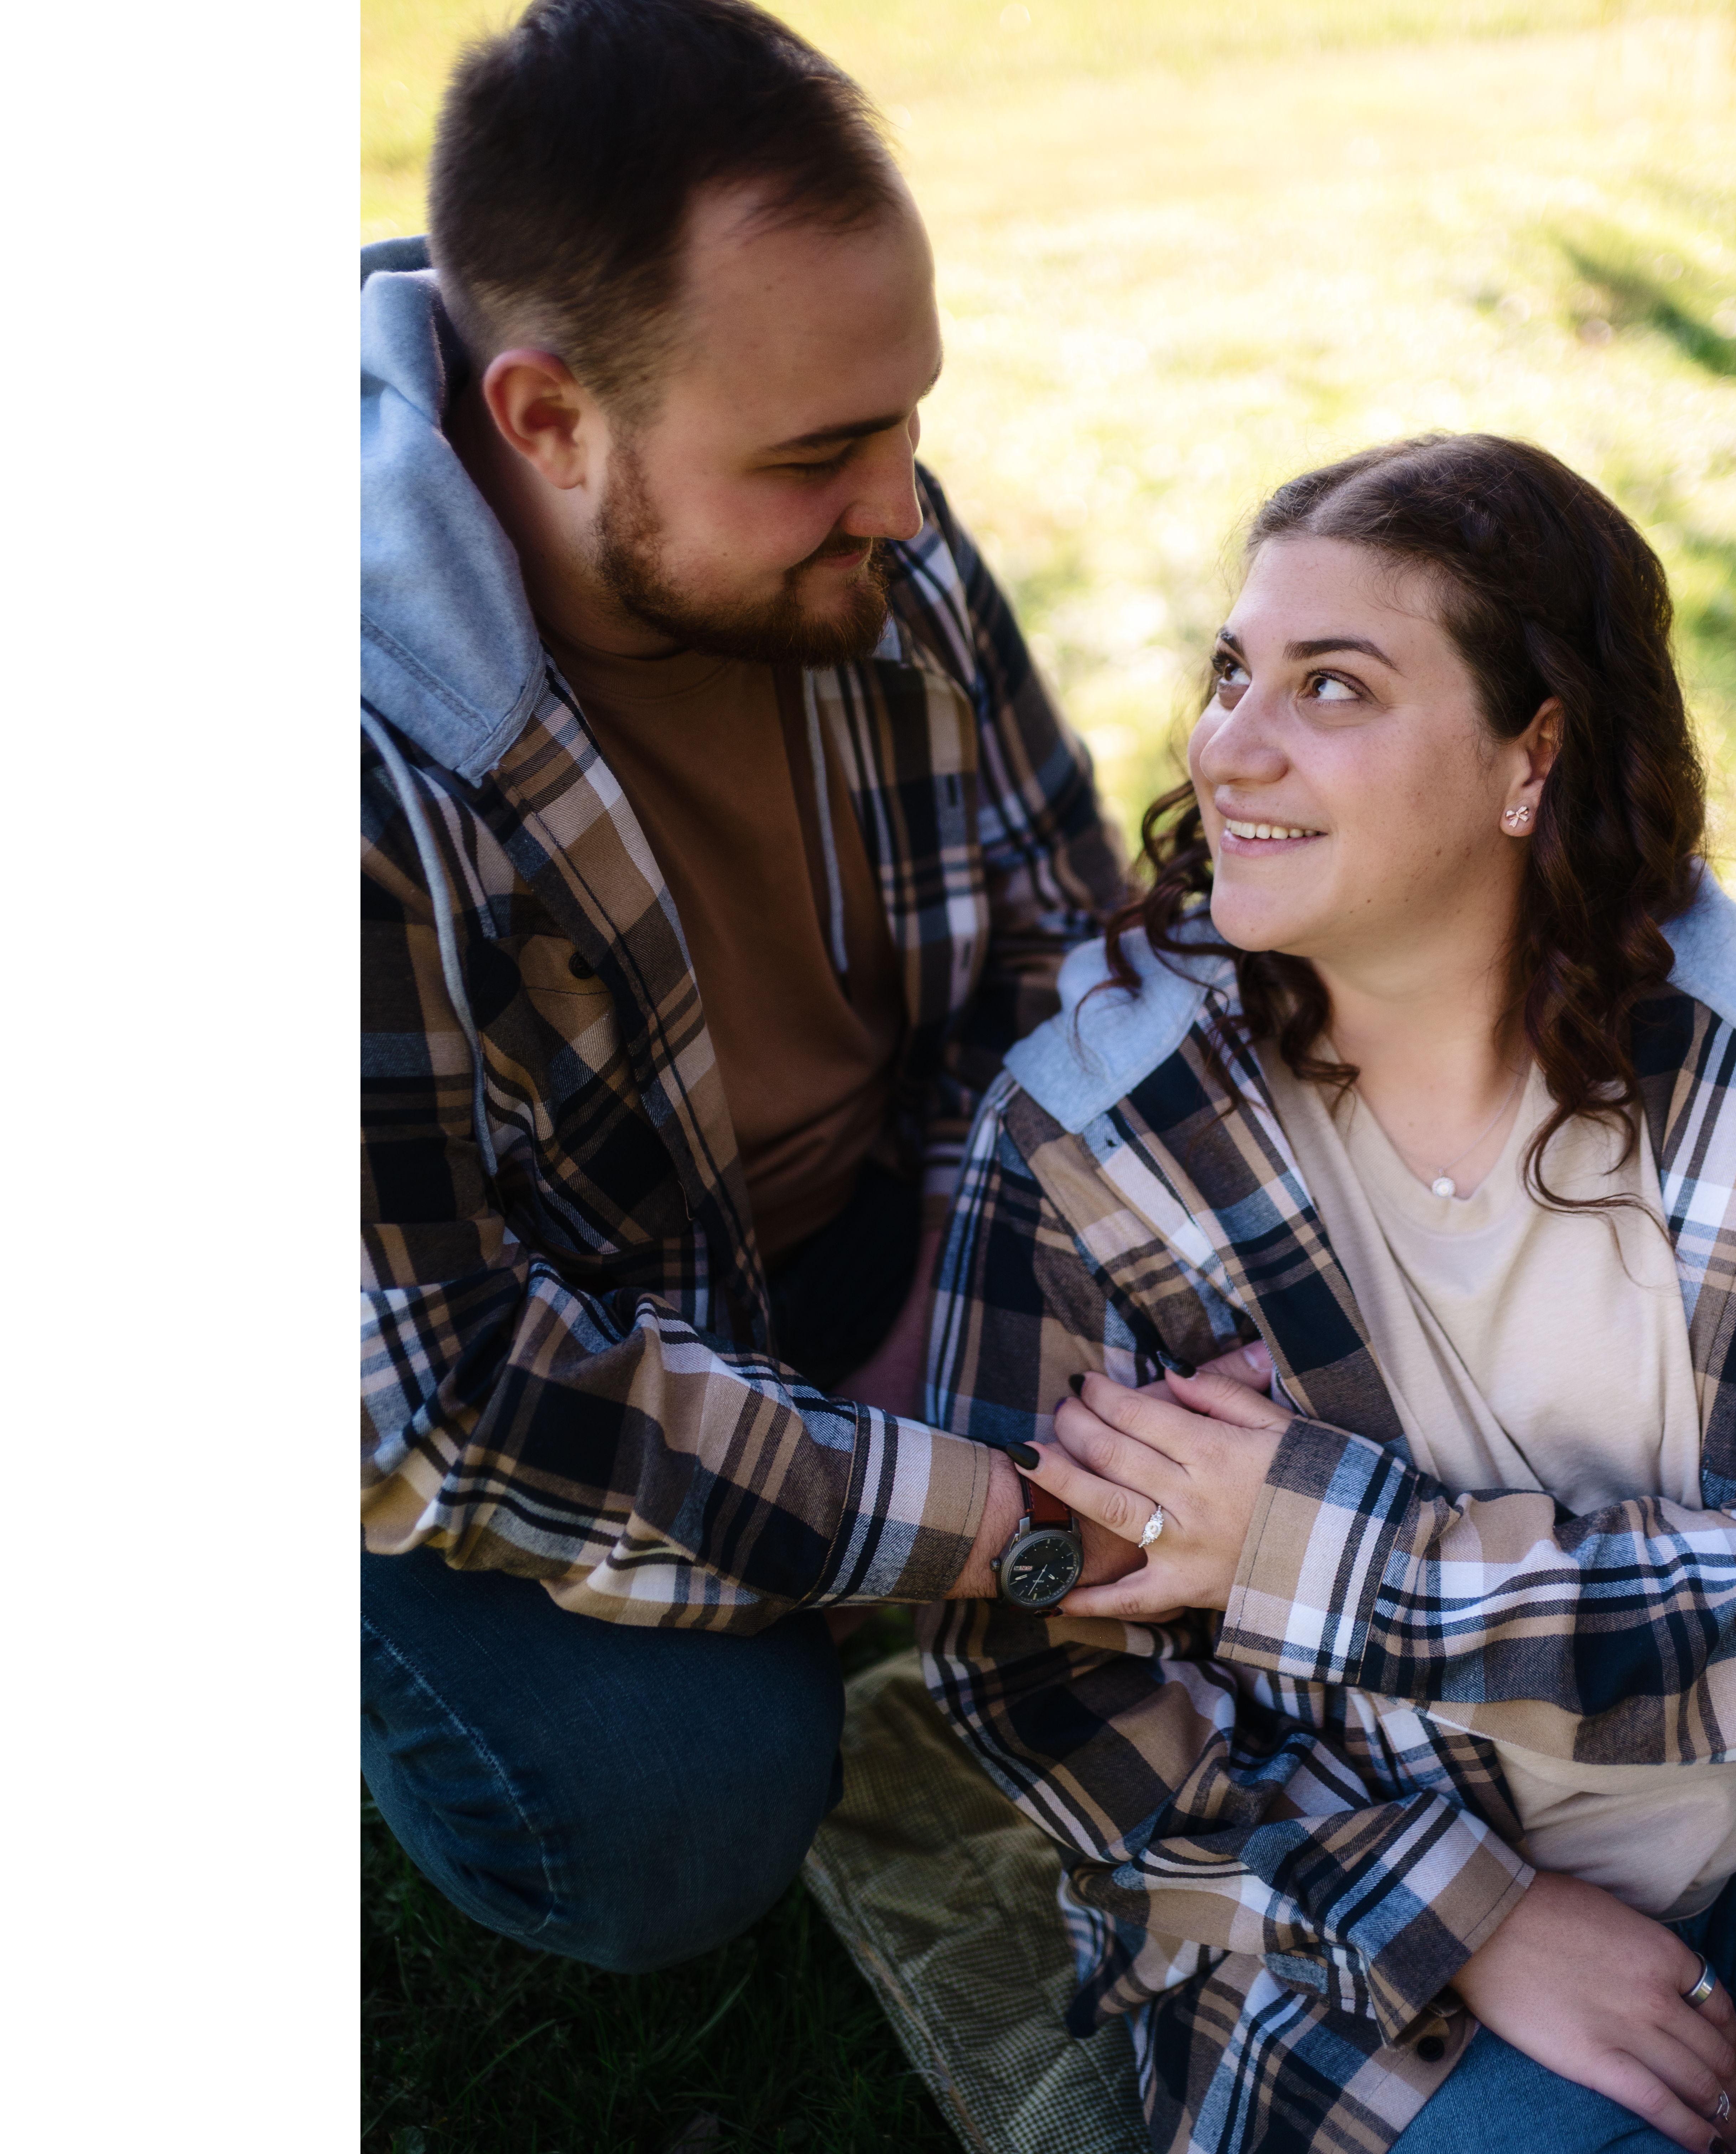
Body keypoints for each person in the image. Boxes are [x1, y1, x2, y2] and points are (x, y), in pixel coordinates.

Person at [360, 0, 1130, 1975]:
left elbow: (1060, 934)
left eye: (909, 420)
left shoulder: (862, 525)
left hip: (873, 1241)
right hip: (472, 1380)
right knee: (669, 1795)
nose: (904, 509)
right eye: (818, 456)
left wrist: (966, 1297)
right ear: (547, 420)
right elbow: (445, 1395)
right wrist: (990, 1519)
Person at [920, 433, 1736, 2154]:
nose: (1229, 745)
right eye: (1233, 673)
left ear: (1533, 756)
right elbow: (1037, 1673)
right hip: (1349, 1931)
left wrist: (1306, 1549)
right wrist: (1473, 1915)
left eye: (1333, 686)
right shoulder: (1098, 1133)